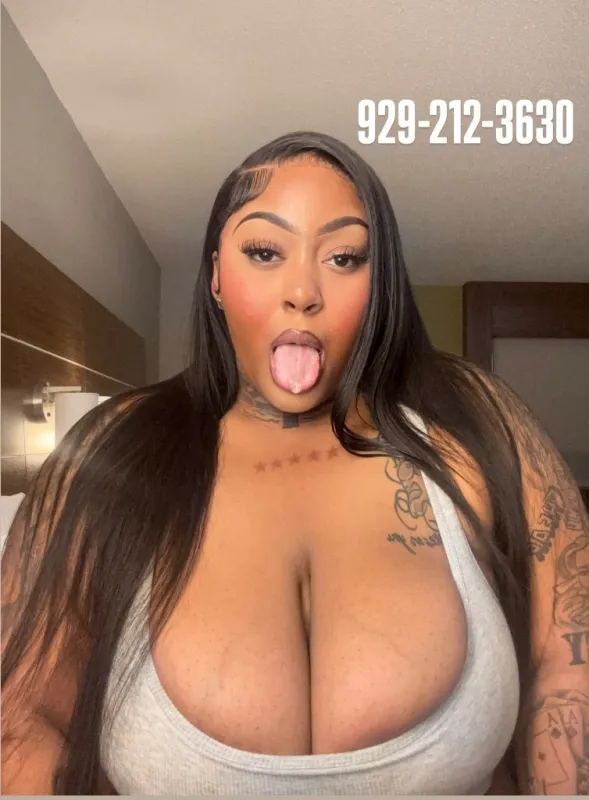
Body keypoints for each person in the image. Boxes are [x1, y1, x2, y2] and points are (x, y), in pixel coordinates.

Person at [2, 131, 588, 796]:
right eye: (263, 252)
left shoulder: (475, 420)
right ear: (215, 275)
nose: (303, 291)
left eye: (344, 257)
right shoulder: (110, 451)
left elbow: (569, 663)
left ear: (377, 283)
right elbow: (23, 715)